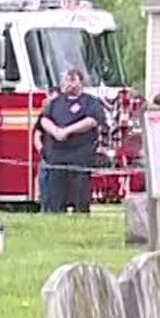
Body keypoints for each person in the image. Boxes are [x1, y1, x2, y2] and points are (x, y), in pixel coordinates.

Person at [37, 69, 104, 212]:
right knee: (56, 192)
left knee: (80, 192)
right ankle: (56, 215)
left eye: (73, 80)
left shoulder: (90, 102)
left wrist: (68, 130)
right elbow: (43, 119)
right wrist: (55, 131)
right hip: (57, 155)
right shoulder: (54, 103)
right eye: (68, 80)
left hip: (80, 155)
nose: (69, 84)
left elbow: (92, 121)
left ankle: (81, 216)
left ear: (81, 83)